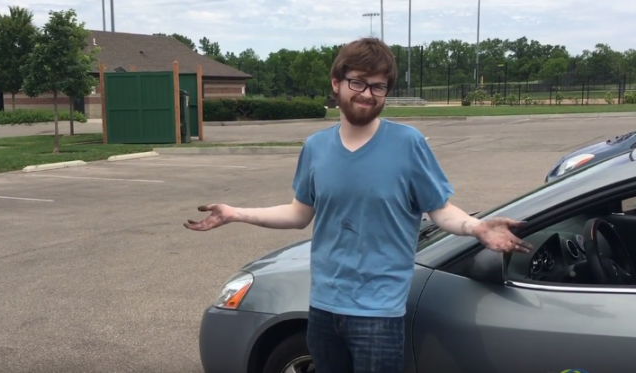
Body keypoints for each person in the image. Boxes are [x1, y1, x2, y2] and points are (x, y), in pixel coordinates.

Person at [184, 37, 532, 373]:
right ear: (336, 83)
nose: (367, 94)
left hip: (379, 313)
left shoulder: (407, 144)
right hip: (322, 308)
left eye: (378, 86)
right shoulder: (316, 148)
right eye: (358, 83)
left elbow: (439, 209)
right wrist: (235, 213)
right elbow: (298, 213)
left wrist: (477, 227)